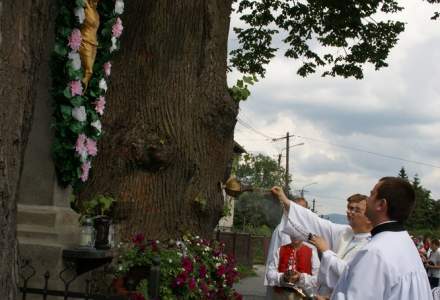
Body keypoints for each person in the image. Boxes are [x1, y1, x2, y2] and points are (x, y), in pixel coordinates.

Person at [330, 177, 432, 299]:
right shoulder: (405, 243)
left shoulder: (375, 252)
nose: (367, 199)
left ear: (381, 204)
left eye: (372, 194)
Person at [270, 189, 372, 297]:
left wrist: (326, 251)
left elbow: (350, 274)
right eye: (350, 208)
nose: (350, 212)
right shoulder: (345, 232)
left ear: (369, 218)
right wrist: (285, 200)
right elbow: (317, 222)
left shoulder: (371, 245)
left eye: (357, 210)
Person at [265, 198, 319, 299]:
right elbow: (272, 265)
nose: (300, 212)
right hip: (282, 292)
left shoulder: (312, 231)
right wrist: (281, 278)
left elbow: (317, 274)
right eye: (297, 208)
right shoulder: (281, 229)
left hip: (303, 293)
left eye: (303, 209)